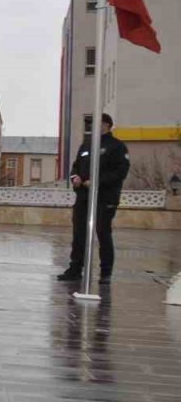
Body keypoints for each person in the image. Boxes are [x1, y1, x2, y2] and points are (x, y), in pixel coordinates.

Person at [58, 113, 131, 284]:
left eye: (96, 123)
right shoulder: (87, 145)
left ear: (106, 125)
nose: (92, 126)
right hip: (84, 196)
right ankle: (75, 269)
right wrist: (74, 177)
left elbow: (121, 172)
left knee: (102, 231)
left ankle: (105, 273)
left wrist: (97, 181)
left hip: (105, 198)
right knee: (79, 233)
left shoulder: (117, 146)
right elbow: (76, 165)